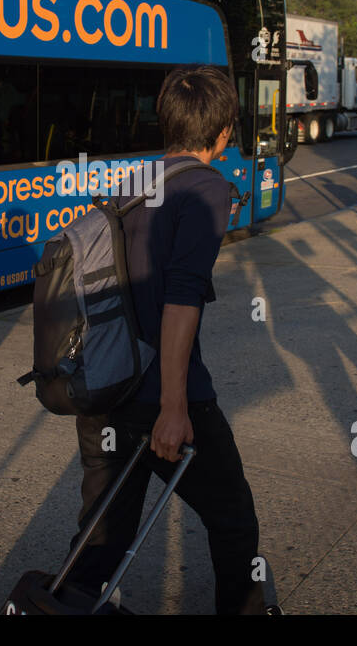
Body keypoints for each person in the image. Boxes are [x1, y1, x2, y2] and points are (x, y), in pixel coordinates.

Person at [64, 66, 270, 614]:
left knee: (101, 533)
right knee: (232, 517)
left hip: (107, 384)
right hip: (163, 395)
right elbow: (182, 299)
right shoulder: (206, 187)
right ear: (224, 132)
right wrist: (175, 407)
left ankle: (65, 604)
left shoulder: (132, 182)